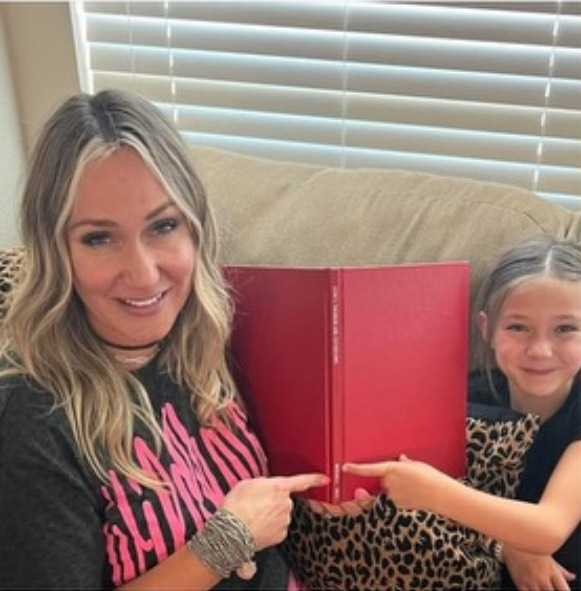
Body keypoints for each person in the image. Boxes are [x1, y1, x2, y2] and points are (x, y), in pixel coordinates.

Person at [0, 89, 328, 590]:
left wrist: (328, 486)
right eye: (99, 237)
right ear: (55, 250)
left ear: (195, 229)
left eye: (163, 226)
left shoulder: (206, 336)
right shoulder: (32, 416)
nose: (144, 272)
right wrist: (225, 542)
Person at [344, 235, 581, 591]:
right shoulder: (463, 399)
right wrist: (508, 545)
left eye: (566, 329)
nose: (540, 349)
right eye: (518, 327)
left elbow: (548, 527)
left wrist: (435, 493)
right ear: (487, 330)